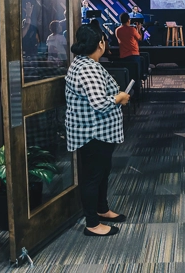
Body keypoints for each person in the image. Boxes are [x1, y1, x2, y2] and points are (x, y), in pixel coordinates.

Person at [65, 25, 130, 237]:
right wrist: (119, 98)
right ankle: (92, 224)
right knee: (93, 176)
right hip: (93, 133)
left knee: (102, 172)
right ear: (100, 44)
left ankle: (102, 209)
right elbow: (100, 103)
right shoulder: (88, 68)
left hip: (98, 132)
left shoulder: (85, 63)